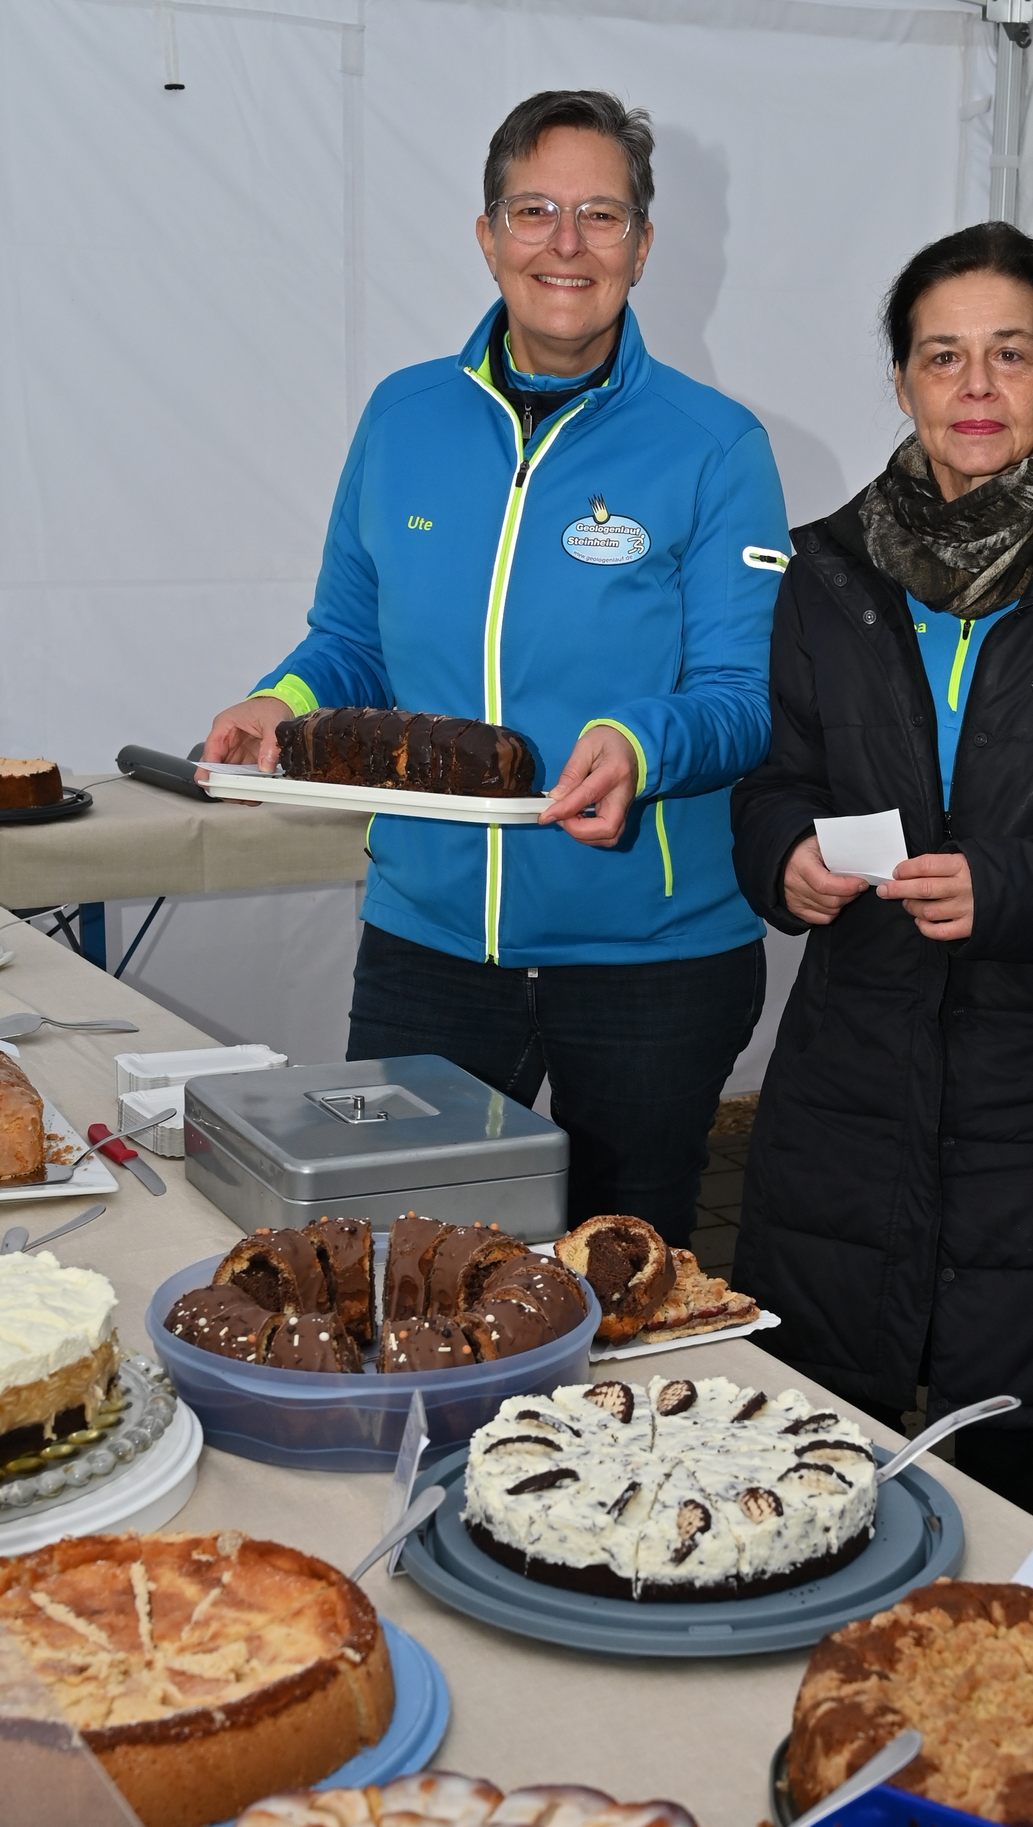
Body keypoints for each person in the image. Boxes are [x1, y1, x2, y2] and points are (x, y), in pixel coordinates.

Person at [203, 88, 789, 1246]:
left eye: (600, 215)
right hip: (427, 943)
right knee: (397, 1257)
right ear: (486, 235)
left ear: (641, 246)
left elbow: (742, 698)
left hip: (650, 960)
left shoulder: (716, 445)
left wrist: (637, 741)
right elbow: (351, 638)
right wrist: (282, 700)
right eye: (533, 211)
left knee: (621, 1279)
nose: (565, 244)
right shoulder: (403, 417)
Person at [731, 224, 1033, 1522]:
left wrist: (1011, 885)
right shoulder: (826, 572)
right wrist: (784, 857)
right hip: (851, 1079)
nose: (975, 386)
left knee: (1002, 1467)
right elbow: (771, 778)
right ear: (901, 382)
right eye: (943, 356)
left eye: (1010, 353)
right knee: (814, 1464)